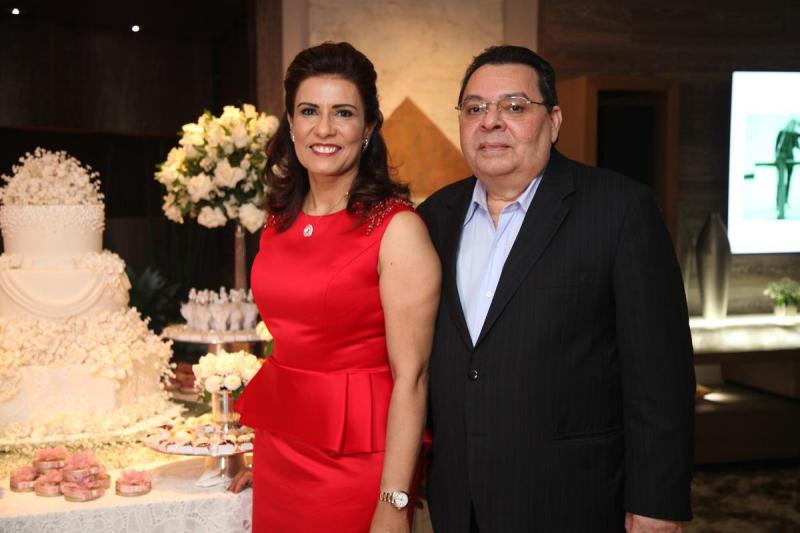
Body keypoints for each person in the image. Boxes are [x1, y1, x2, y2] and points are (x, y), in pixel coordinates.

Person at [417, 45, 695, 532]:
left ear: (555, 121)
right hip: (460, 502)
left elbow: (661, 376)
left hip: (572, 498)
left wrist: (657, 502)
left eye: (514, 106)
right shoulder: (433, 218)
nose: (490, 121)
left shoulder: (619, 210)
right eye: (475, 108)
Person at [229, 42, 440, 533]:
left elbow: (413, 378)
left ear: (368, 128)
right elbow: (292, 345)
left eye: (342, 113)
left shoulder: (397, 229)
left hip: (359, 465)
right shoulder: (278, 220)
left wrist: (394, 501)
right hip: (280, 452)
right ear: (291, 124)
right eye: (309, 111)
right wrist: (265, 455)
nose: (323, 129)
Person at [774, 118, 799, 219]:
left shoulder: (793, 135)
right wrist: (777, 159)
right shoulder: (782, 133)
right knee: (781, 182)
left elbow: (797, 145)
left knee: (788, 181)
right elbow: (777, 146)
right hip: (781, 159)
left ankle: (785, 201)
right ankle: (778, 203)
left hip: (790, 160)